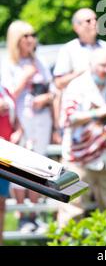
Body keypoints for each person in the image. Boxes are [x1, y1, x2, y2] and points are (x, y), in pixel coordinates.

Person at [58, 48, 106, 226]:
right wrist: (98, 113)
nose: (105, 69)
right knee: (71, 208)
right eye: (101, 65)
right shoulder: (76, 86)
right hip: (79, 159)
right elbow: (67, 118)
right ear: (91, 65)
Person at [1, 20, 54, 232]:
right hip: (20, 122)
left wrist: (47, 98)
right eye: (27, 35)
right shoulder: (8, 65)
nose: (32, 39)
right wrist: (24, 78)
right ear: (17, 40)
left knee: (39, 169)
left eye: (33, 35)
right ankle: (23, 214)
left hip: (41, 120)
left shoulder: (39, 62)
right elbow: (7, 97)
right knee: (20, 170)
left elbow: (52, 90)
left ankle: (34, 214)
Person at [0, 83, 19, 245]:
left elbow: (15, 120)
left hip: (4, 157)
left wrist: (18, 132)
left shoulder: (4, 89)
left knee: (1, 205)